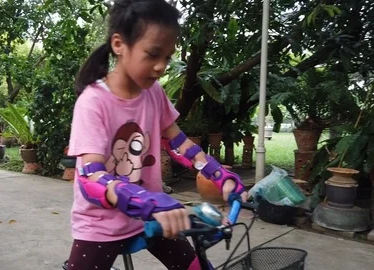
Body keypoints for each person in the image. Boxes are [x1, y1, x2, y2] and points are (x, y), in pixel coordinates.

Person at [66, 0, 248, 269]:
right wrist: (152, 203)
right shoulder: (93, 102)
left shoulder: (154, 93)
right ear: (119, 45)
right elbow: (92, 177)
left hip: (154, 216)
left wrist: (220, 176)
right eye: (152, 54)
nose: (162, 66)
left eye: (167, 57)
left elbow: (179, 143)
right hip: (102, 225)